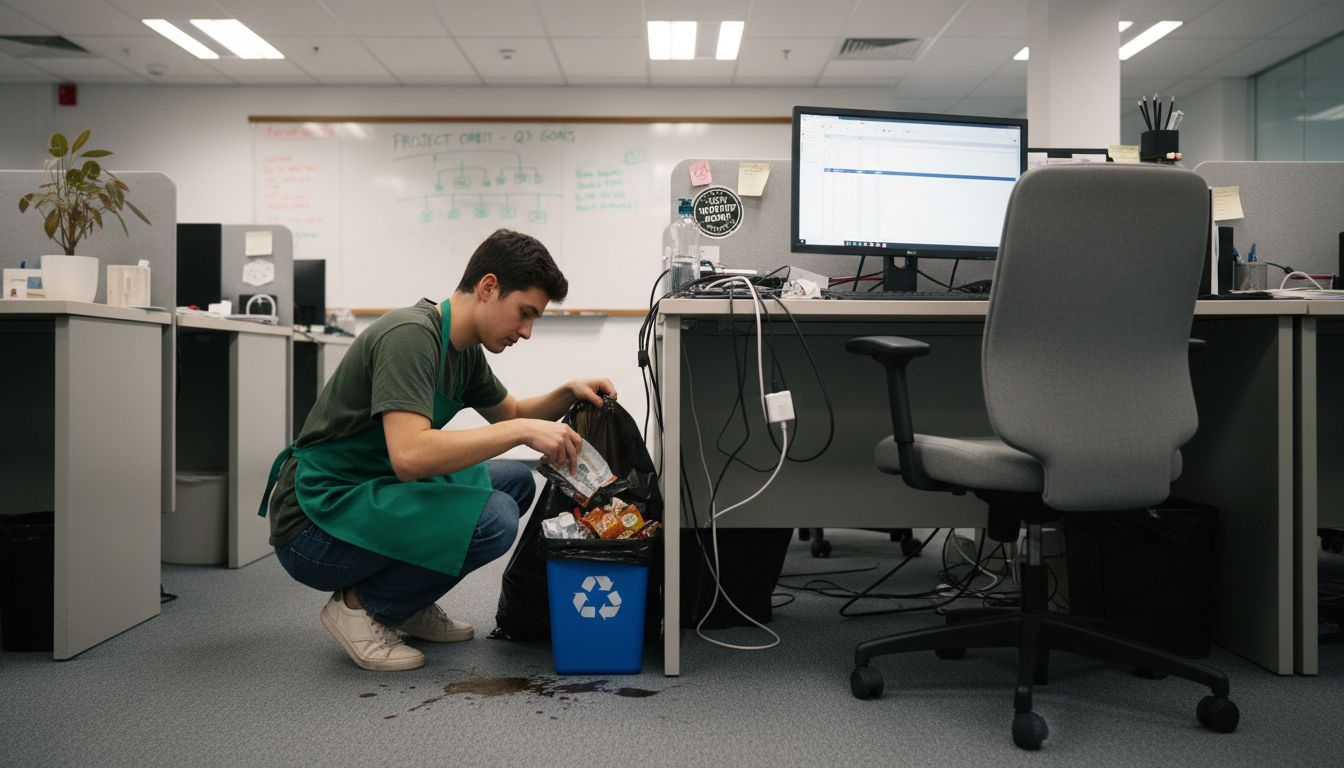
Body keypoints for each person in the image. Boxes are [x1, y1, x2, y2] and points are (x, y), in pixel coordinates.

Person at [260, 229, 616, 671]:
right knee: (494, 519)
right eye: (525, 314)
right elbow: (409, 456)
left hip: (372, 490)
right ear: (488, 288)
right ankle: (361, 608)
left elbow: (513, 413)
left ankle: (407, 601)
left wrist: (568, 391)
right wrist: (523, 431)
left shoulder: (463, 351)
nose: (526, 332)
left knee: (515, 481)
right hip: (314, 523)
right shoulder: (411, 336)